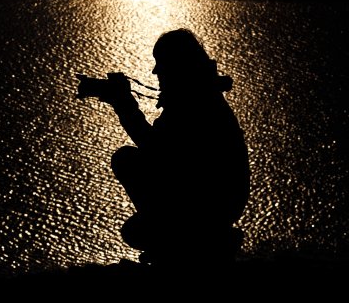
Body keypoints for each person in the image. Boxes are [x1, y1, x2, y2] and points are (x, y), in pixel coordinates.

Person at [81, 28, 250, 266]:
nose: (155, 71)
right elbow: (161, 152)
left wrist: (123, 103)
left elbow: (154, 149)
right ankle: (193, 239)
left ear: (176, 65)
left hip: (211, 205)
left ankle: (179, 244)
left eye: (160, 63)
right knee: (136, 228)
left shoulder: (191, 102)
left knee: (126, 164)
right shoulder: (199, 93)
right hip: (222, 202)